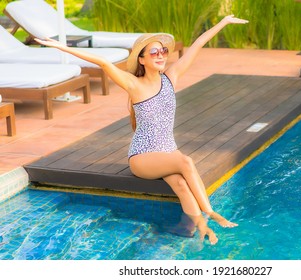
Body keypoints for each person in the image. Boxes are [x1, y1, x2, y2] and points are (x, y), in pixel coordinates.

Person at [35, 15, 248, 245]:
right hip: (142, 157)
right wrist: (61, 47)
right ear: (142, 59)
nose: (161, 56)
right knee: (186, 162)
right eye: (154, 52)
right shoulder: (133, 85)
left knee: (180, 184)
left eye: (163, 52)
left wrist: (223, 22)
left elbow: (197, 45)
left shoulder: (170, 78)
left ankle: (193, 227)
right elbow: (103, 63)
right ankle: (211, 213)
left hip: (168, 152)